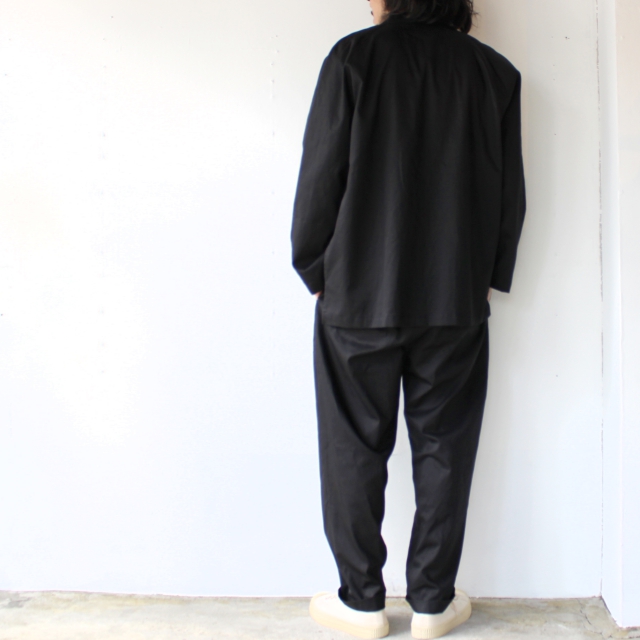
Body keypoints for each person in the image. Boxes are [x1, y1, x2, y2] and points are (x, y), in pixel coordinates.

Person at [290, 0, 526, 637]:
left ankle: (361, 602)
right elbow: (510, 193)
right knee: (446, 446)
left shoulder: (353, 57)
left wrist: (312, 266)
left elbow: (321, 170)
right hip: (453, 297)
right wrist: (487, 276)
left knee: (351, 446)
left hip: (356, 293)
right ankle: (431, 603)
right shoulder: (493, 73)